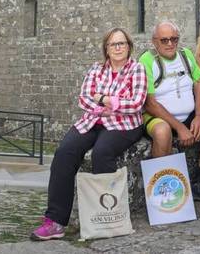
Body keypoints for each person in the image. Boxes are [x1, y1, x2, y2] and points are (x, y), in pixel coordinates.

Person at [31, 28, 147, 241]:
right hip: (92, 121)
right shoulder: (96, 69)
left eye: (122, 43)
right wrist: (110, 101)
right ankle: (55, 221)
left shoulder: (137, 70)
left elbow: (136, 103)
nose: (118, 48)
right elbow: (83, 99)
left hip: (124, 125)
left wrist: (102, 99)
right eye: (114, 44)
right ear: (107, 49)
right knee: (64, 152)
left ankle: (106, 218)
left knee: (101, 153)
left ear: (129, 46)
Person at [140, 21, 200, 205]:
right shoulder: (146, 60)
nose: (170, 44)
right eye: (164, 40)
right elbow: (150, 103)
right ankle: (160, 194)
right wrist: (179, 128)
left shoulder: (186, 55)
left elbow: (199, 84)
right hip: (158, 118)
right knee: (162, 134)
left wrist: (199, 116)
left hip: (189, 115)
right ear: (155, 41)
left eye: (174, 39)